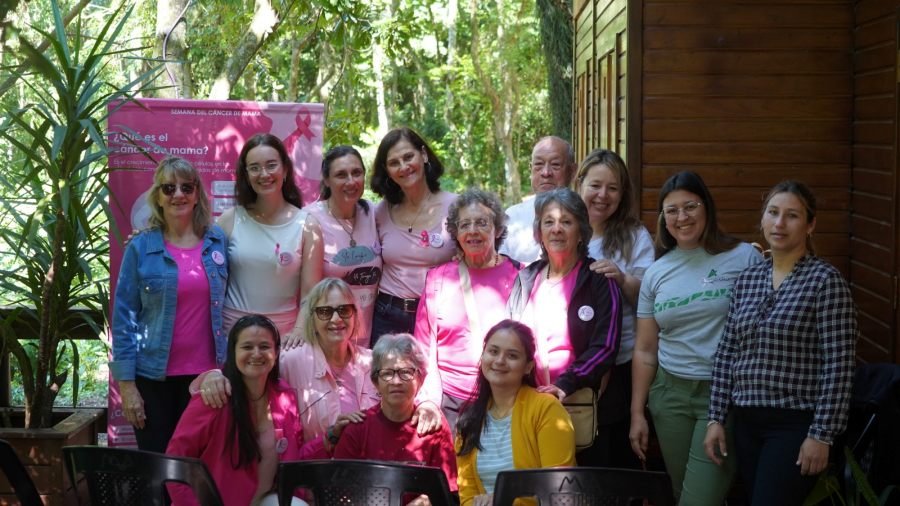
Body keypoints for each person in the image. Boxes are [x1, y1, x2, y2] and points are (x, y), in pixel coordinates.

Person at [704, 181, 857, 506]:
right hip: (746, 422)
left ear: (810, 225)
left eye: (792, 215)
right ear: (762, 219)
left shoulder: (825, 281)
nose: (780, 223)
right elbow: (727, 351)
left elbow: (839, 365)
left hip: (795, 424)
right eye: (773, 213)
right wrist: (716, 417)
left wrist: (822, 434)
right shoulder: (748, 280)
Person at [631, 171, 762, 505]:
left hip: (721, 396)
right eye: (672, 210)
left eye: (690, 206)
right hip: (669, 395)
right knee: (682, 493)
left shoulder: (744, 257)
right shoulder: (657, 272)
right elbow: (645, 350)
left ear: (707, 207)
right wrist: (637, 413)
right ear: (663, 218)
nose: (682, 217)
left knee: (698, 500)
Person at [195, 278, 443, 440]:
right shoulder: (291, 360)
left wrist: (427, 403)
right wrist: (215, 376)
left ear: (355, 315)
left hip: (366, 469)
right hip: (311, 472)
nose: (336, 319)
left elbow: (413, 380)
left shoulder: (372, 361)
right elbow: (248, 372)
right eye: (325, 312)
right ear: (312, 318)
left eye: (344, 310)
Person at [110, 156, 228, 453]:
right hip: (152, 379)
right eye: (169, 188)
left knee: (200, 467)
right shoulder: (141, 247)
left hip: (207, 380)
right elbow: (124, 318)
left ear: (197, 194)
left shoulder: (217, 241)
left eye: (187, 187)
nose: (178, 194)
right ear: (158, 197)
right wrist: (126, 386)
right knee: (158, 467)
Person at [506, 187, 622, 459]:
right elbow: (509, 338)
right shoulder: (525, 278)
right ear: (539, 233)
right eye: (548, 222)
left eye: (566, 222)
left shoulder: (598, 280)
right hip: (529, 405)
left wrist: (565, 384)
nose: (556, 229)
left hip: (581, 404)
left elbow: (606, 346)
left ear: (581, 232)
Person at [167, 315, 325, 506]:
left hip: (263, 499)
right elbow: (176, 461)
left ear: (276, 353)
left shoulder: (284, 395)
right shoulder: (213, 398)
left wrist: (330, 438)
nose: (256, 354)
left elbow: (294, 454)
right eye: (247, 347)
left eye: (264, 347)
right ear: (233, 352)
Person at [413, 189, 521, 431]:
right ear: (456, 232)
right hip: (450, 404)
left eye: (482, 223)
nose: (472, 231)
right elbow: (423, 347)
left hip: (507, 400)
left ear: (498, 229)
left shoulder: (521, 276)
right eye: (464, 225)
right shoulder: (438, 279)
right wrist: (427, 400)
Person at [575, 149, 654, 468]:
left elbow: (650, 299)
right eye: (595, 185)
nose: (602, 195)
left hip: (623, 365)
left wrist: (622, 279)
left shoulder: (634, 235)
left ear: (623, 194)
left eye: (613, 188)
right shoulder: (565, 227)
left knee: (616, 457)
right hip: (575, 365)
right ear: (580, 184)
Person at [456, 320, 576, 506]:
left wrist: (503, 500)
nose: (499, 361)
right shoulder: (469, 418)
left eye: (512, 355)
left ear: (528, 366)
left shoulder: (546, 409)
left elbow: (559, 490)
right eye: (493, 351)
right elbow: (467, 496)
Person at [219, 133, 323, 342]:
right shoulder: (229, 220)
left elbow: (311, 292)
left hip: (285, 337)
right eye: (254, 168)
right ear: (246, 175)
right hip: (234, 336)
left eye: (271, 165)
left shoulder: (307, 226)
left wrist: (299, 331)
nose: (264, 174)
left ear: (285, 170)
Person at [334, 333, 458, 504]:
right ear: (376, 382)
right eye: (387, 373)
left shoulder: (433, 426)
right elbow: (339, 493)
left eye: (406, 372)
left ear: (420, 380)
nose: (396, 381)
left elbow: (449, 493)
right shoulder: (358, 429)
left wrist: (430, 500)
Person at [370, 127, 457, 343]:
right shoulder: (380, 211)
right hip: (387, 314)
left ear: (424, 154)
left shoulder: (456, 206)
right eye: (394, 163)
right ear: (387, 171)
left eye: (408, 157)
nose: (403, 167)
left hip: (439, 314)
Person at [300, 146, 382, 347]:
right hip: (326, 340)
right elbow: (307, 291)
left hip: (365, 340)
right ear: (326, 180)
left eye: (357, 173)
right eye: (341, 175)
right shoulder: (308, 219)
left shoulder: (374, 213)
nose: (351, 181)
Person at [499, 136, 577, 264]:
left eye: (555, 165)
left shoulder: (584, 217)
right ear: (531, 168)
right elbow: (500, 267)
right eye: (539, 164)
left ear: (572, 171)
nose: (546, 173)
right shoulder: (512, 217)